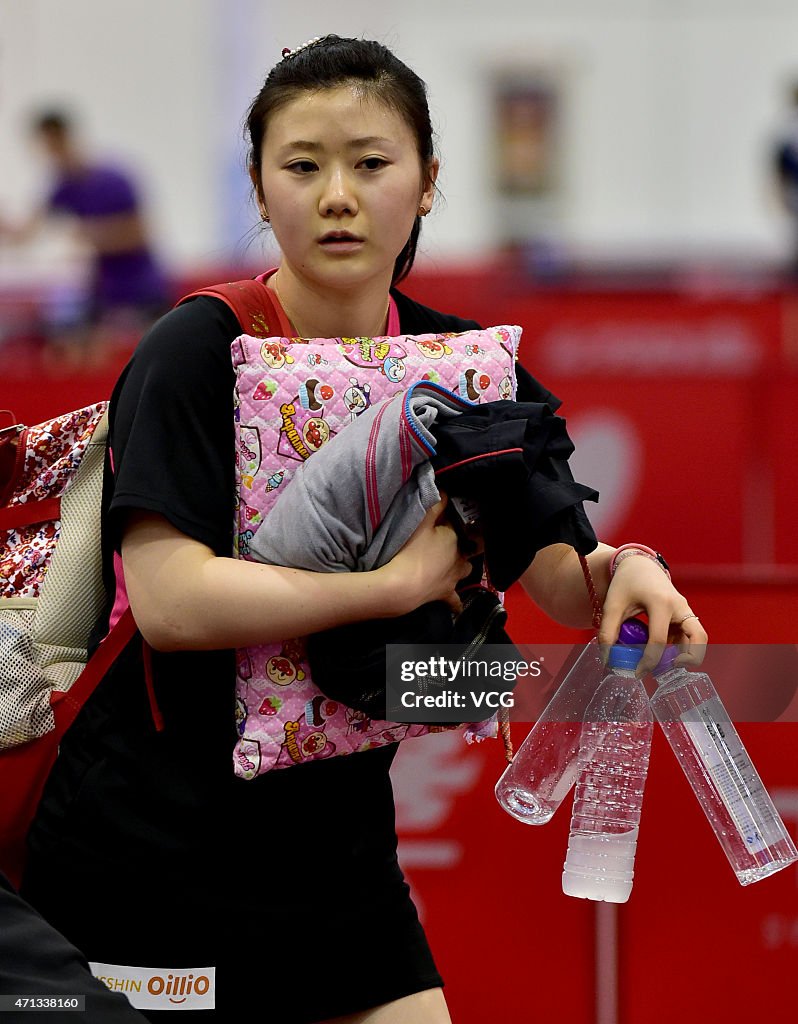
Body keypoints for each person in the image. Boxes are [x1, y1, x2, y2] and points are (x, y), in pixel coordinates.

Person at [19, 35, 708, 1023]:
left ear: (428, 182)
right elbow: (172, 604)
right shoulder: (193, 351)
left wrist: (628, 572)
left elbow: (559, 570)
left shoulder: (469, 373)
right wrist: (391, 587)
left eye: (371, 162)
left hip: (337, 852)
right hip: (147, 851)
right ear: (259, 190)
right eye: (301, 166)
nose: (337, 193)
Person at [0, 109, 168, 366]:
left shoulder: (113, 179)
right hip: (103, 293)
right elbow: (26, 233)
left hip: (139, 291)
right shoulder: (62, 186)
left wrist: (91, 234)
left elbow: (139, 233)